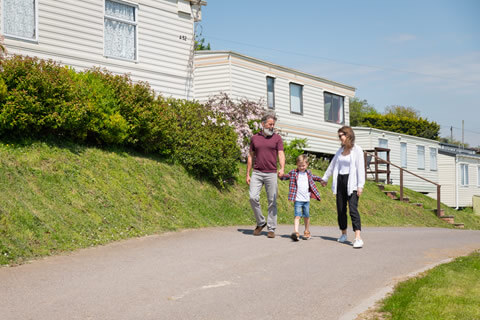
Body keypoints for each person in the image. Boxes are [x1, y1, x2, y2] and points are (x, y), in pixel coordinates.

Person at [321, 126, 365, 248]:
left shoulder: (357, 150)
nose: (340, 138)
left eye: (342, 135)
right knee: (341, 210)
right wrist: (325, 178)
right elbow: (332, 165)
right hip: (340, 181)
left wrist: (360, 185)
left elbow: (361, 168)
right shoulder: (339, 151)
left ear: (348, 135)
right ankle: (344, 234)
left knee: (352, 209)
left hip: (352, 183)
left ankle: (358, 237)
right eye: (339, 136)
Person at [246, 112, 285, 238]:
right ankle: (261, 222)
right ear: (263, 124)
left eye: (273, 124)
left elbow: (281, 154)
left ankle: (271, 228)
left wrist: (282, 168)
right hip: (257, 172)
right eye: (269, 124)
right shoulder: (254, 138)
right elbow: (251, 156)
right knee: (252, 197)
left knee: (272, 201)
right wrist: (248, 174)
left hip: (271, 173)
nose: (272, 126)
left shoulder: (277, 138)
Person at [280, 154, 323, 241]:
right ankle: (296, 232)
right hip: (298, 200)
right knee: (297, 216)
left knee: (306, 216)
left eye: (303, 165)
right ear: (297, 164)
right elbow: (286, 177)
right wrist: (280, 175)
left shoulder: (308, 173)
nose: (301, 167)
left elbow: (315, 177)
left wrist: (322, 180)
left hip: (306, 200)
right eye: (299, 166)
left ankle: (306, 231)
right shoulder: (294, 173)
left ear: (307, 164)